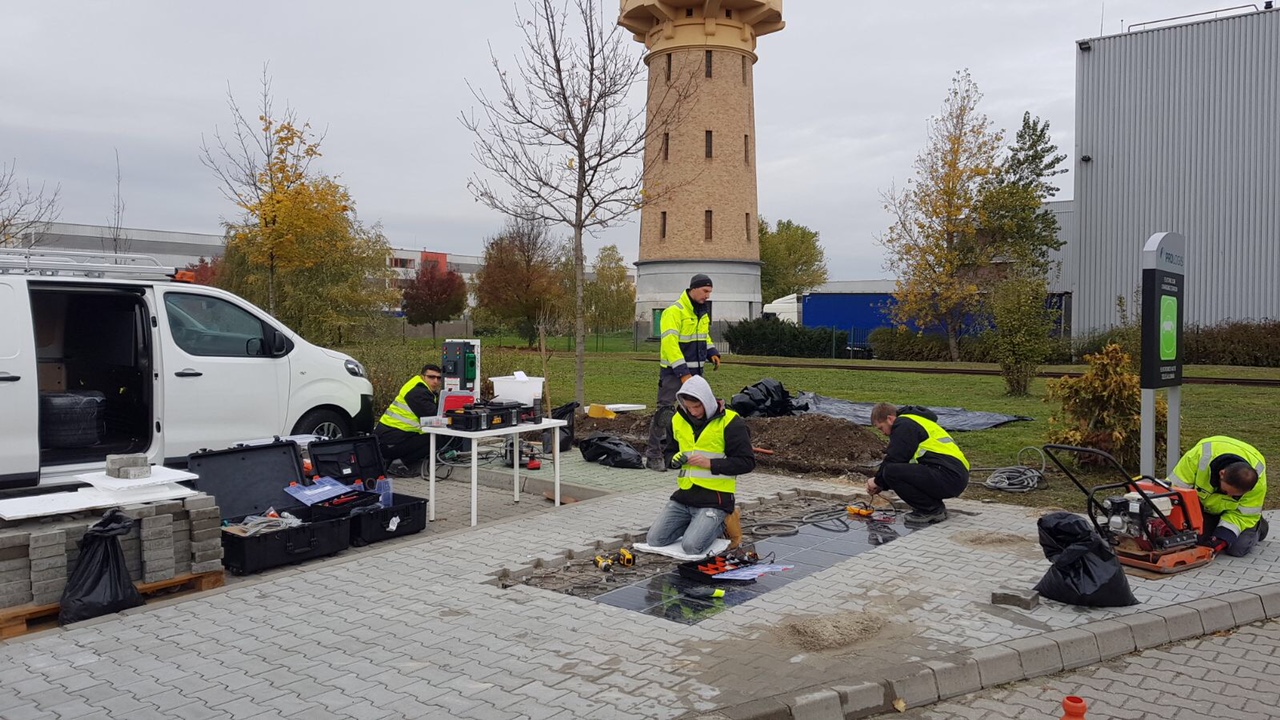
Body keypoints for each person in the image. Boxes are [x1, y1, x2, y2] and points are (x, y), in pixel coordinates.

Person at [645, 375, 755, 556]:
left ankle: (722, 522)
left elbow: (747, 462)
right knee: (654, 539)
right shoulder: (677, 420)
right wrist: (673, 460)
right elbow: (668, 452)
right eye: (689, 407)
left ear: (708, 401)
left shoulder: (731, 422)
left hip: (716, 500)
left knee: (691, 547)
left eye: (697, 407)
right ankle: (697, 524)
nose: (693, 412)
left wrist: (710, 464)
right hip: (685, 497)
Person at [645, 273, 722, 471]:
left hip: (696, 373)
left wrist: (711, 351)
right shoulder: (674, 312)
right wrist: (683, 372)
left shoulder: (701, 312)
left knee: (694, 413)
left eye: (710, 291)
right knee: (665, 413)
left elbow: (703, 336)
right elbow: (670, 345)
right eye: (705, 291)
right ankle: (654, 455)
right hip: (673, 374)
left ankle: (685, 454)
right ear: (693, 289)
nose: (708, 295)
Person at [866, 403, 970, 526]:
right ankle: (934, 507)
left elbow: (895, 458)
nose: (883, 433)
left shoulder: (904, 425)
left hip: (947, 476)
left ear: (890, 419)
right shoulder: (915, 421)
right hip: (952, 475)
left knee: (891, 472)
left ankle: (930, 510)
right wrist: (881, 482)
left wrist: (878, 482)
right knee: (896, 471)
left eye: (881, 428)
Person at [1167, 436, 1269, 557]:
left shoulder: (1257, 484)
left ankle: (1259, 527)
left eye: (1235, 496)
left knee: (1238, 549)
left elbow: (1243, 516)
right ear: (1222, 474)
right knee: (1195, 539)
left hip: (1238, 515)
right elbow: (1175, 492)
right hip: (1203, 508)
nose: (1229, 496)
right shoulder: (1199, 456)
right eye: (1226, 492)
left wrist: (1221, 538)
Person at [374, 363, 449, 474]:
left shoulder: (416, 385)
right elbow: (433, 418)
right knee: (436, 438)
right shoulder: (419, 392)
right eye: (431, 377)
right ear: (423, 376)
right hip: (390, 442)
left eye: (439, 378)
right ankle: (399, 464)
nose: (435, 381)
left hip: (387, 438)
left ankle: (392, 459)